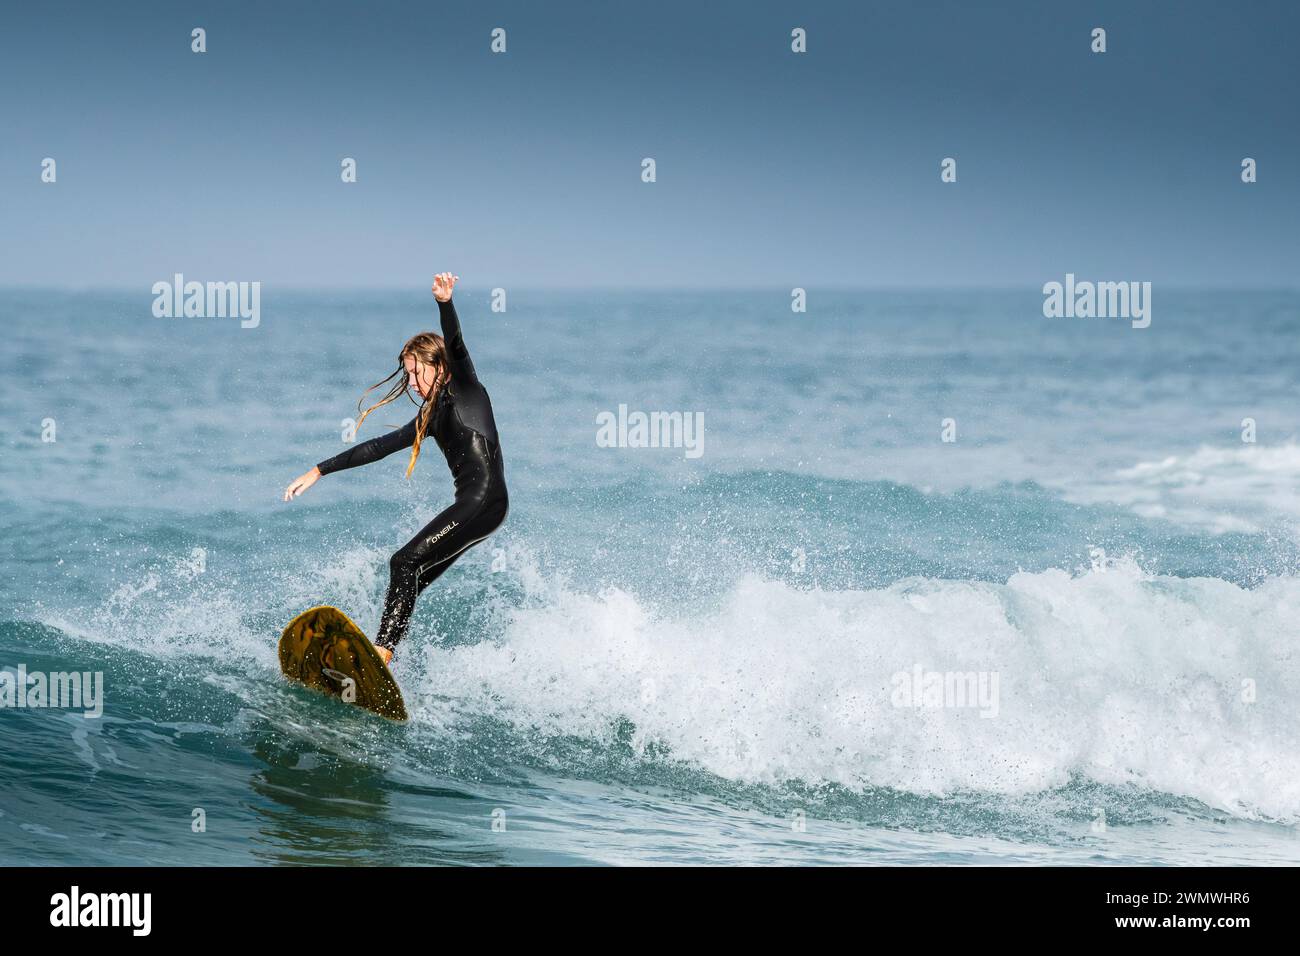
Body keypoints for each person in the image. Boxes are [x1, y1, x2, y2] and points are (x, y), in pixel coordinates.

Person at [283, 273, 508, 664]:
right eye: (406, 374)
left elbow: (454, 341)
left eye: (416, 371)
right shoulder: (430, 416)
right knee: (412, 577)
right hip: (486, 507)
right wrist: (318, 470)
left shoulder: (466, 388)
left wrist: (444, 303)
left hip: (482, 499)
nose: (412, 382)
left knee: (403, 562)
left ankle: (381, 654)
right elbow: (378, 447)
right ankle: (387, 662)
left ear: (440, 366)